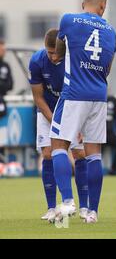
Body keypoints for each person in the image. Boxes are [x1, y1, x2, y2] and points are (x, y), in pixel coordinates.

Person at [50, 0, 116, 224]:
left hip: (74, 93)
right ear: (102, 7)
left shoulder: (68, 20)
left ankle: (68, 201)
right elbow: (108, 68)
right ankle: (93, 212)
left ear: (83, 3)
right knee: (94, 153)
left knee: (58, 145)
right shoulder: (111, 30)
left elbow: (57, 54)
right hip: (98, 95)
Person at [28, 28, 89, 222]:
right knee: (47, 153)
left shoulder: (75, 62)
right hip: (48, 111)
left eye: (56, 52)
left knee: (80, 153)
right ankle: (52, 207)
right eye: (49, 52)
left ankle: (85, 207)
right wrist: (57, 122)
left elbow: (82, 94)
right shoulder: (37, 61)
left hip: (74, 111)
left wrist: (76, 123)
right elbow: (38, 97)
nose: (53, 57)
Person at [0, 40, 13, 117]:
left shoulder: (6, 65)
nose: (3, 51)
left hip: (3, 98)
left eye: (3, 50)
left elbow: (10, 85)